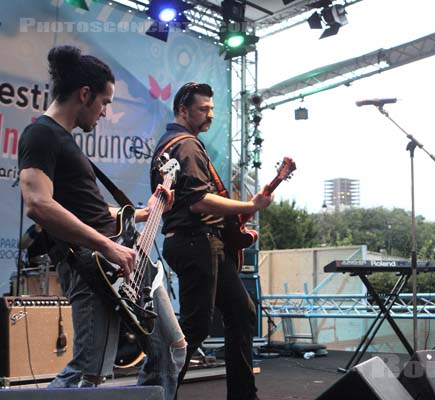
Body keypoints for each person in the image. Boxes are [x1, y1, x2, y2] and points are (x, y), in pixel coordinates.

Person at [17, 45, 185, 398]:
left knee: (172, 348)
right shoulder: (40, 134)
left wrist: (143, 212)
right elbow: (37, 204)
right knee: (86, 375)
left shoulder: (66, 141)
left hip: (122, 258)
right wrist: (108, 246)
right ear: (84, 94)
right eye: (105, 102)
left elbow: (90, 209)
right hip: (93, 264)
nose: (106, 112)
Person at [151, 82, 273, 400]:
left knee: (241, 312)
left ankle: (243, 395)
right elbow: (198, 201)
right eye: (204, 109)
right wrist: (249, 206)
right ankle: (155, 393)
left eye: (212, 109)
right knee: (193, 329)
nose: (211, 115)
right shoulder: (186, 146)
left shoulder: (175, 143)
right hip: (197, 243)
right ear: (182, 109)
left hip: (200, 243)